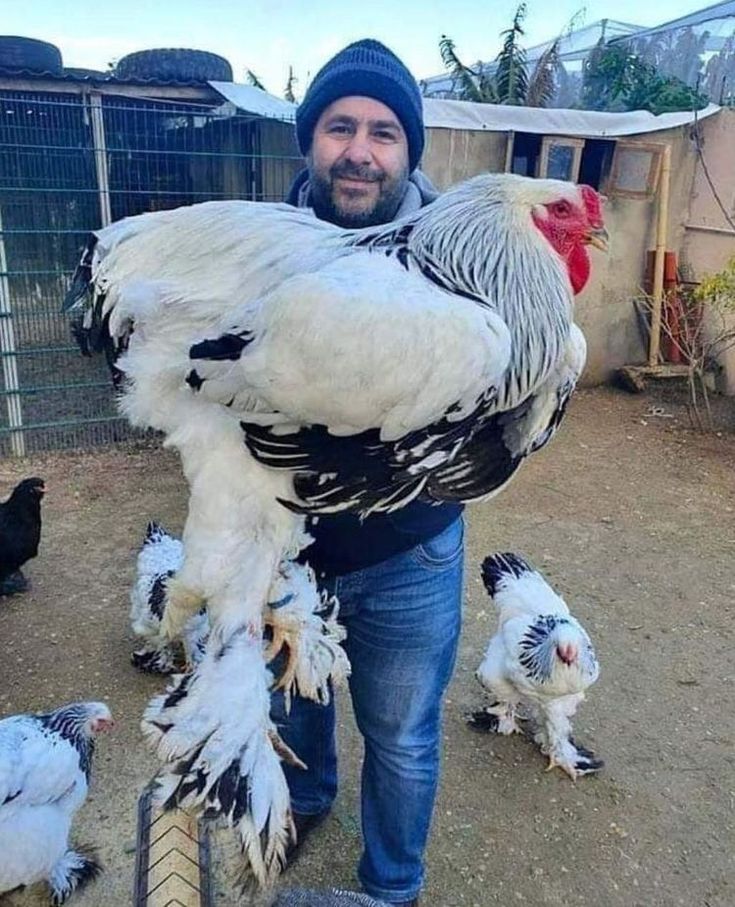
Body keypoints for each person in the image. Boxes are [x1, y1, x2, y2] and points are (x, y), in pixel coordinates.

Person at [272, 39, 465, 907]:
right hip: (282, 547)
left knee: (400, 736)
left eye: (384, 132)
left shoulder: (460, 260)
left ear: (408, 152)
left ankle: (393, 888)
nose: (360, 149)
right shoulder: (255, 248)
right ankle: (306, 796)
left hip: (408, 547)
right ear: (309, 141)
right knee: (295, 701)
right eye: (339, 126)